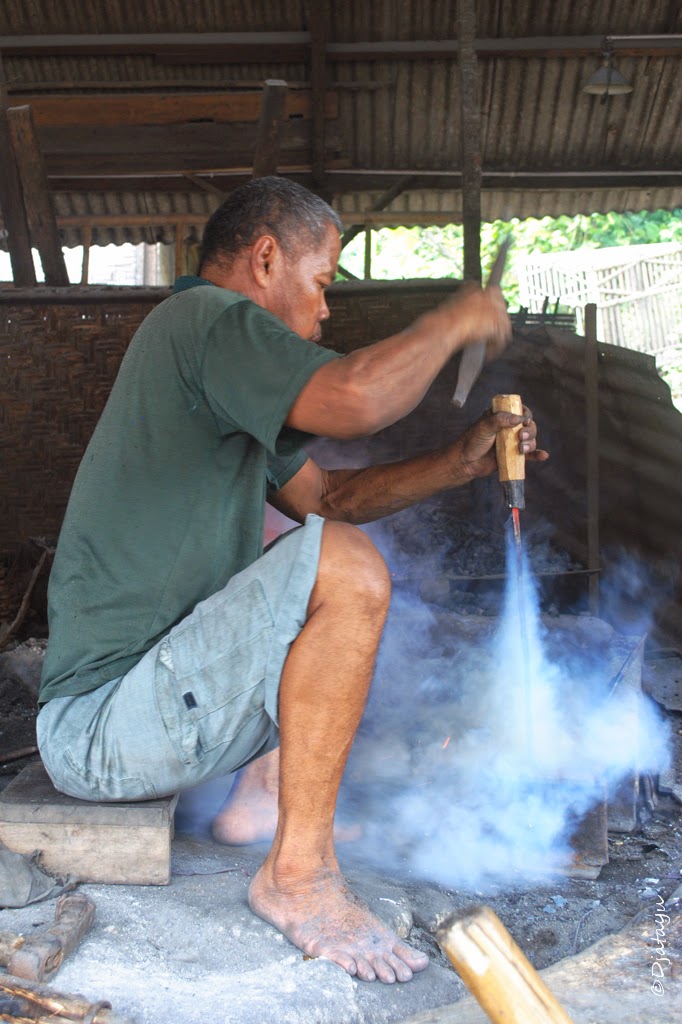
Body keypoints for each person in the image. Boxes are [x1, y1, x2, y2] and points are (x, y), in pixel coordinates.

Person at [37, 177, 547, 985]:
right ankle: (297, 877)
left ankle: (258, 804)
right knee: (340, 564)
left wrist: (458, 462)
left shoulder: (222, 385)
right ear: (266, 257)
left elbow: (333, 497)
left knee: (316, 541)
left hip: (138, 713)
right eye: (322, 283)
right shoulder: (204, 318)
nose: (326, 309)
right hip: (99, 729)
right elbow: (353, 399)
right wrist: (455, 318)